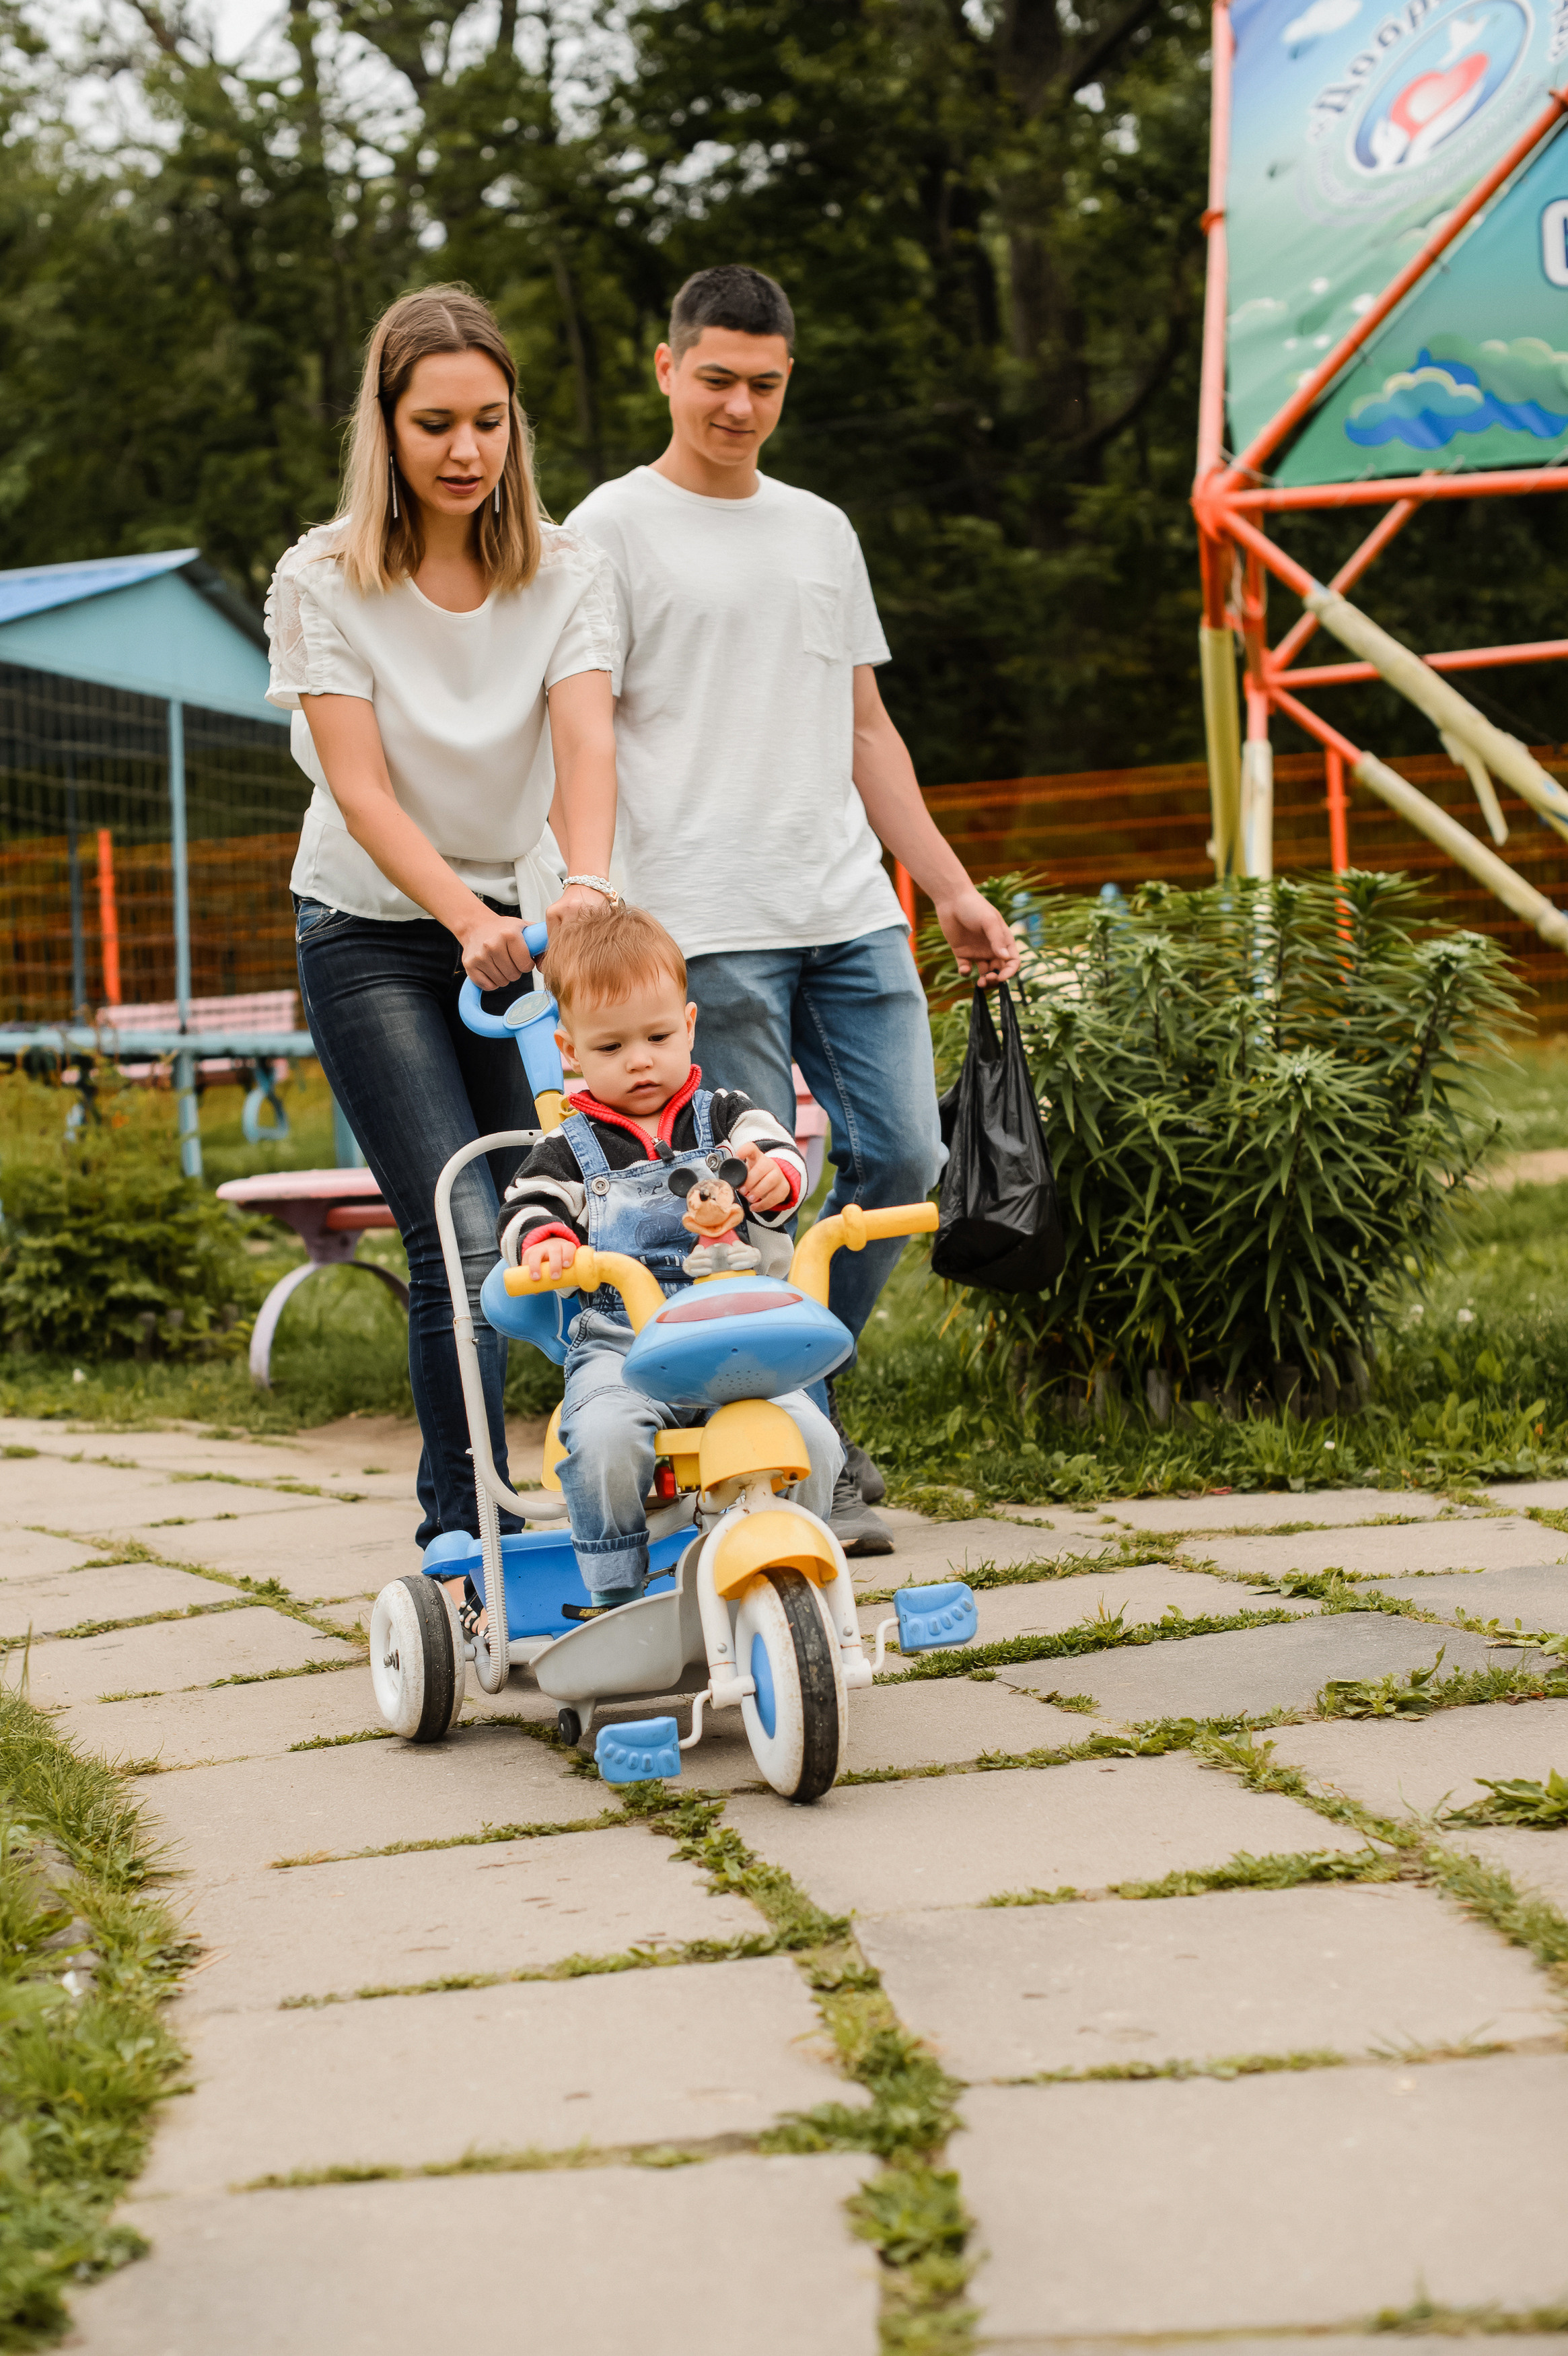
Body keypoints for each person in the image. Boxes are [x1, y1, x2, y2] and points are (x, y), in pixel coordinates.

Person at [567, 263, 1020, 1556]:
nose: (739, 407)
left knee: (908, 1163)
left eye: (764, 384)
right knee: (748, 1194)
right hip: (703, 916)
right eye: (716, 379)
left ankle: (791, 1392)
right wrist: (589, 904)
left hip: (843, 899)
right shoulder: (608, 528)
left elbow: (866, 727)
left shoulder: (821, 528)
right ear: (667, 370)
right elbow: (579, 734)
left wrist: (949, 887)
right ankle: (792, 1464)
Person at [264, 283, 620, 1552]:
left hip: (521, 933)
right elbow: (358, 790)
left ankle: (601, 1489)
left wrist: (584, 884)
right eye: (435, 425)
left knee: (554, 1220)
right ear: (388, 427)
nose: (467, 452)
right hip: (371, 932)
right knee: (459, 1232)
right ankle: (460, 1528)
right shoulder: (324, 578)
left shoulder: (567, 571)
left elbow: (585, 741)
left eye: (489, 421)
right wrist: (467, 912)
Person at [493, 902, 840, 1612]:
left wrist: (775, 1175)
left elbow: (773, 1158)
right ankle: (615, 1591)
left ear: (687, 1025)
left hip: (735, 1334)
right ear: (571, 1051)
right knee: (599, 1436)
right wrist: (547, 1241)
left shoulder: (724, 1114)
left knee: (813, 1436)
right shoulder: (563, 1149)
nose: (640, 1059)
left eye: (656, 1035)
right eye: (612, 1046)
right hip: (625, 1342)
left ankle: (791, 1567)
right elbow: (525, 1205)